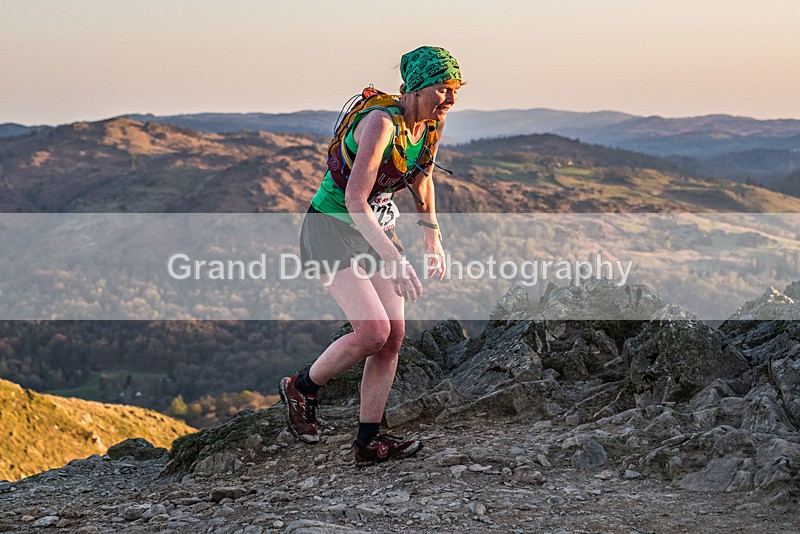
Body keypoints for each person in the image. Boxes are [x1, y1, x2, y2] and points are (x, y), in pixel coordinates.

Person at [279, 46, 462, 464]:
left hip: (377, 228)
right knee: (372, 331)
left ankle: (368, 441)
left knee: (393, 337)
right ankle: (302, 388)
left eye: (455, 90)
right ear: (416, 88)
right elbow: (355, 200)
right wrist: (395, 258)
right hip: (332, 227)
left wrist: (432, 235)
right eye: (442, 89)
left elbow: (422, 180)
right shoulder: (381, 124)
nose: (450, 99)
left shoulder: (432, 124)